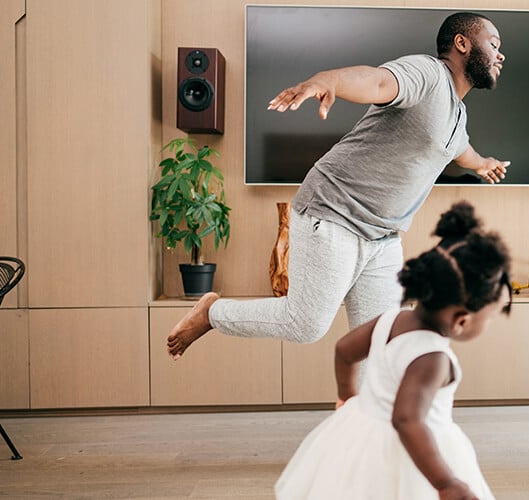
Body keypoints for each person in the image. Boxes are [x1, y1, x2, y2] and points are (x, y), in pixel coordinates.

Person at [167, 12, 510, 358]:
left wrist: (484, 164)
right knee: (305, 324)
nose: (500, 55)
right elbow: (378, 82)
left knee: (381, 341)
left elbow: (461, 150)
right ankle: (211, 313)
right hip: (335, 213)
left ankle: (366, 397)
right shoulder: (428, 74)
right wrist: (327, 80)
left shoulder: (457, 115)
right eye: (493, 44)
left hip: (383, 237)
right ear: (462, 43)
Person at [274, 201, 511, 500]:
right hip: (414, 452)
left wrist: (348, 396)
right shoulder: (433, 358)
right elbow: (407, 419)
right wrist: (445, 482)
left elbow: (344, 350)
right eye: (490, 317)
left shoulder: (391, 320)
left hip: (361, 432)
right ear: (461, 320)